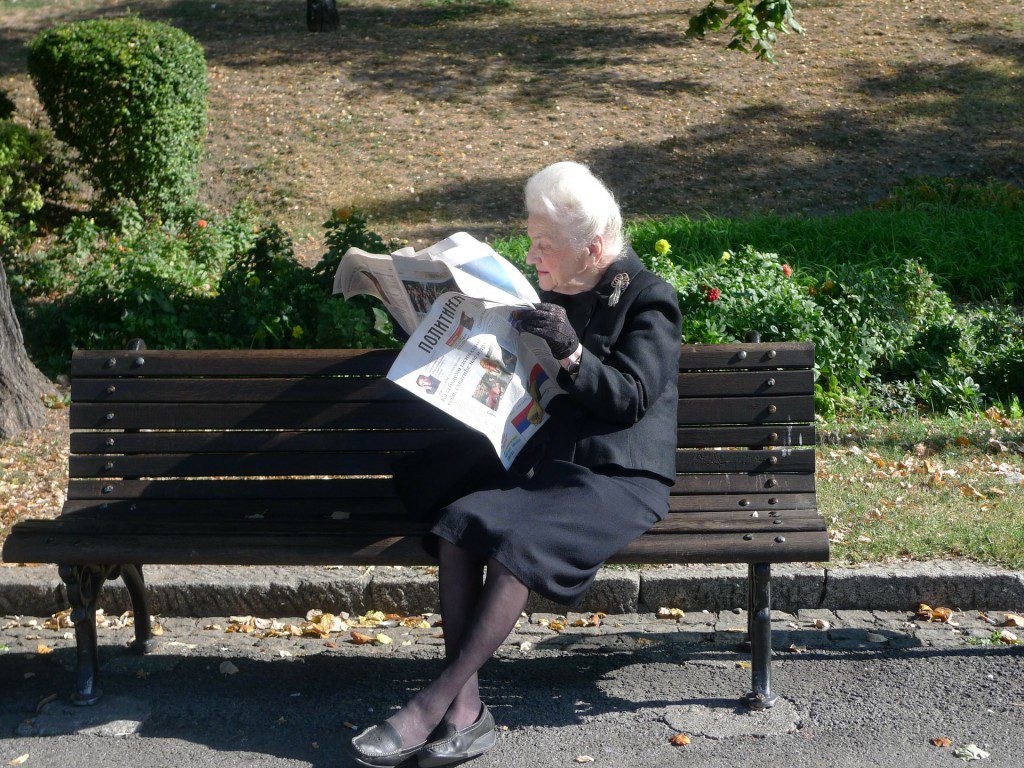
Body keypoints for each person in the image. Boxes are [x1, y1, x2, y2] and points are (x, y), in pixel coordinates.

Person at [349, 161, 682, 768]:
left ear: (595, 246)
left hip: (619, 479)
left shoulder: (647, 297)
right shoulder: (550, 295)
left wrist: (572, 351)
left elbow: (630, 398)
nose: (532, 255)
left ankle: (432, 703)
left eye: (544, 244)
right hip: (554, 467)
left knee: (512, 544)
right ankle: (469, 711)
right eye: (531, 240)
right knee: (457, 525)